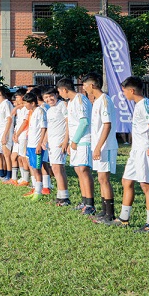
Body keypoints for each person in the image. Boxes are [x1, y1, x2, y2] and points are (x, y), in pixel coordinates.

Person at [102, 76, 149, 230]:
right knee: (127, 181)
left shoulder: (145, 105)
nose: (123, 94)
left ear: (132, 90)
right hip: (136, 150)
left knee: (146, 185)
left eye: (124, 91)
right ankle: (123, 218)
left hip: (145, 150)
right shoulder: (138, 105)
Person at [82, 73, 118, 224]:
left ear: (92, 85)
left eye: (84, 85)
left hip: (106, 146)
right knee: (101, 178)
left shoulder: (105, 100)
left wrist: (98, 147)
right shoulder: (96, 102)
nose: (83, 88)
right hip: (98, 146)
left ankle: (110, 214)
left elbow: (107, 125)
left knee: (104, 179)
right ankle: (104, 211)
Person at [57, 78, 95, 215]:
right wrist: (69, 141)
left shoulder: (80, 99)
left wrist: (75, 140)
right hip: (75, 142)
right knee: (79, 170)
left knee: (84, 169)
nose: (60, 94)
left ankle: (90, 204)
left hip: (83, 140)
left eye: (59, 91)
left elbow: (84, 122)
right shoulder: (70, 102)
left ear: (65, 90)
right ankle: (84, 202)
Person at [42, 87, 70, 206]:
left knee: (58, 168)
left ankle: (64, 198)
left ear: (56, 95)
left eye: (51, 96)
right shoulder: (49, 110)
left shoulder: (62, 105)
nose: (49, 99)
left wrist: (66, 141)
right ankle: (60, 196)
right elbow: (50, 127)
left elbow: (68, 122)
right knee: (55, 168)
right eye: (46, 97)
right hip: (52, 143)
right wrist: (44, 140)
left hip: (60, 141)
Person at [22, 92, 48, 200]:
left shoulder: (40, 112)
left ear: (32, 103)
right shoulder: (32, 112)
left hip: (36, 145)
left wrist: (40, 144)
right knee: (33, 167)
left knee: (37, 168)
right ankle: (36, 189)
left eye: (26, 103)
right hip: (30, 144)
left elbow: (43, 128)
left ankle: (39, 192)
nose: (24, 105)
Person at [0, 87, 15, 182]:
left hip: (6, 130)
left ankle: (9, 175)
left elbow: (9, 119)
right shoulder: (0, 105)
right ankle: (1, 174)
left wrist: (5, 134)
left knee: (6, 154)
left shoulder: (7, 103)